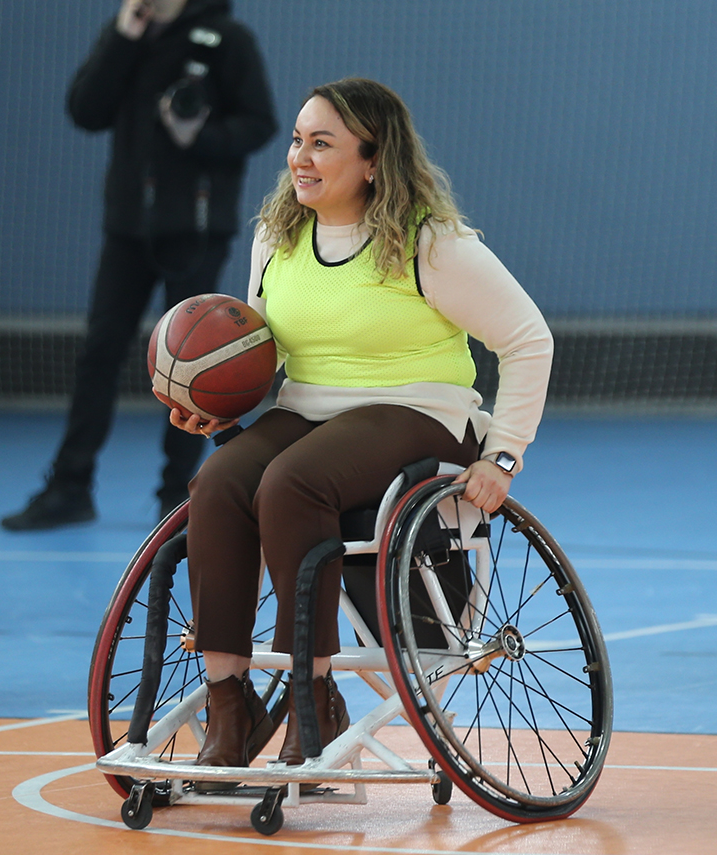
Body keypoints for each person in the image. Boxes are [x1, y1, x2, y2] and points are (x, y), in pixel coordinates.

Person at [173, 78, 554, 772]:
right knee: (219, 482)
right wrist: (217, 408)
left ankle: (314, 697)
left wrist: (502, 456)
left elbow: (529, 341)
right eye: (297, 141)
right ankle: (230, 703)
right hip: (309, 409)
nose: (301, 157)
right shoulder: (277, 236)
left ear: (374, 160)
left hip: (423, 411)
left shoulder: (430, 242)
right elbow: (266, 353)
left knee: (293, 482)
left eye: (322, 143)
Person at [2, 0, 276, 530]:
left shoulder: (227, 39)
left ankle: (178, 496)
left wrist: (200, 135)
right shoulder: (128, 32)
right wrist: (123, 37)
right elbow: (86, 110)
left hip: (196, 229)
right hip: (128, 228)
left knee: (192, 361)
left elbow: (259, 123)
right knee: (99, 352)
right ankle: (70, 485)